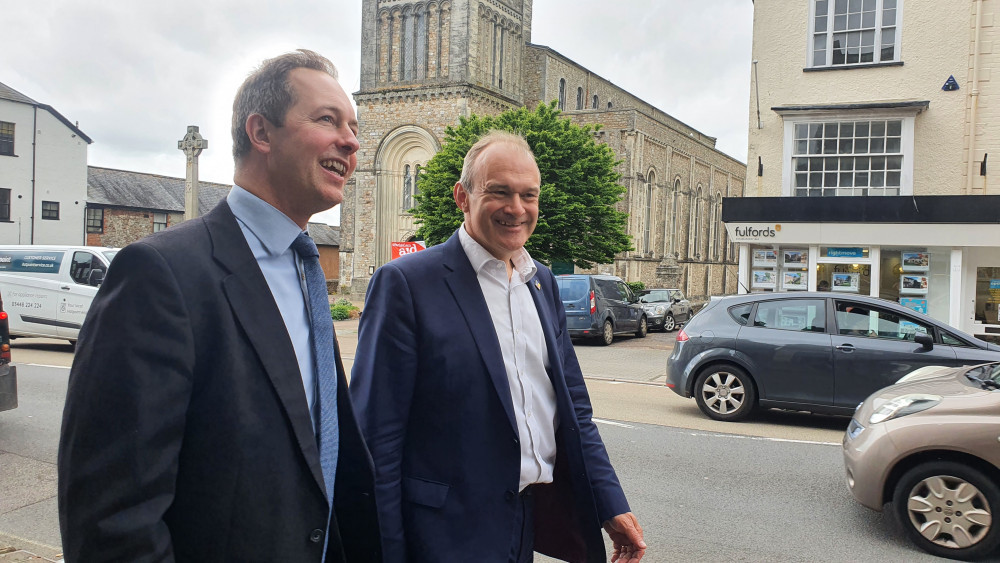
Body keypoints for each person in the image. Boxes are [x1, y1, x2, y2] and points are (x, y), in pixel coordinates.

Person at [57, 50, 380, 562]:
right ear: (261, 132)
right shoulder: (160, 275)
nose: (351, 140)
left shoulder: (305, 268)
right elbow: (113, 520)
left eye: (353, 127)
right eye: (326, 120)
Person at [351, 130, 647, 563]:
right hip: (438, 536)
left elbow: (573, 412)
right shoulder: (407, 284)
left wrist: (609, 503)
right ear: (462, 196)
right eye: (499, 192)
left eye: (529, 195)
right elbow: (376, 440)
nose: (517, 208)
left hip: (522, 523)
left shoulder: (541, 282)